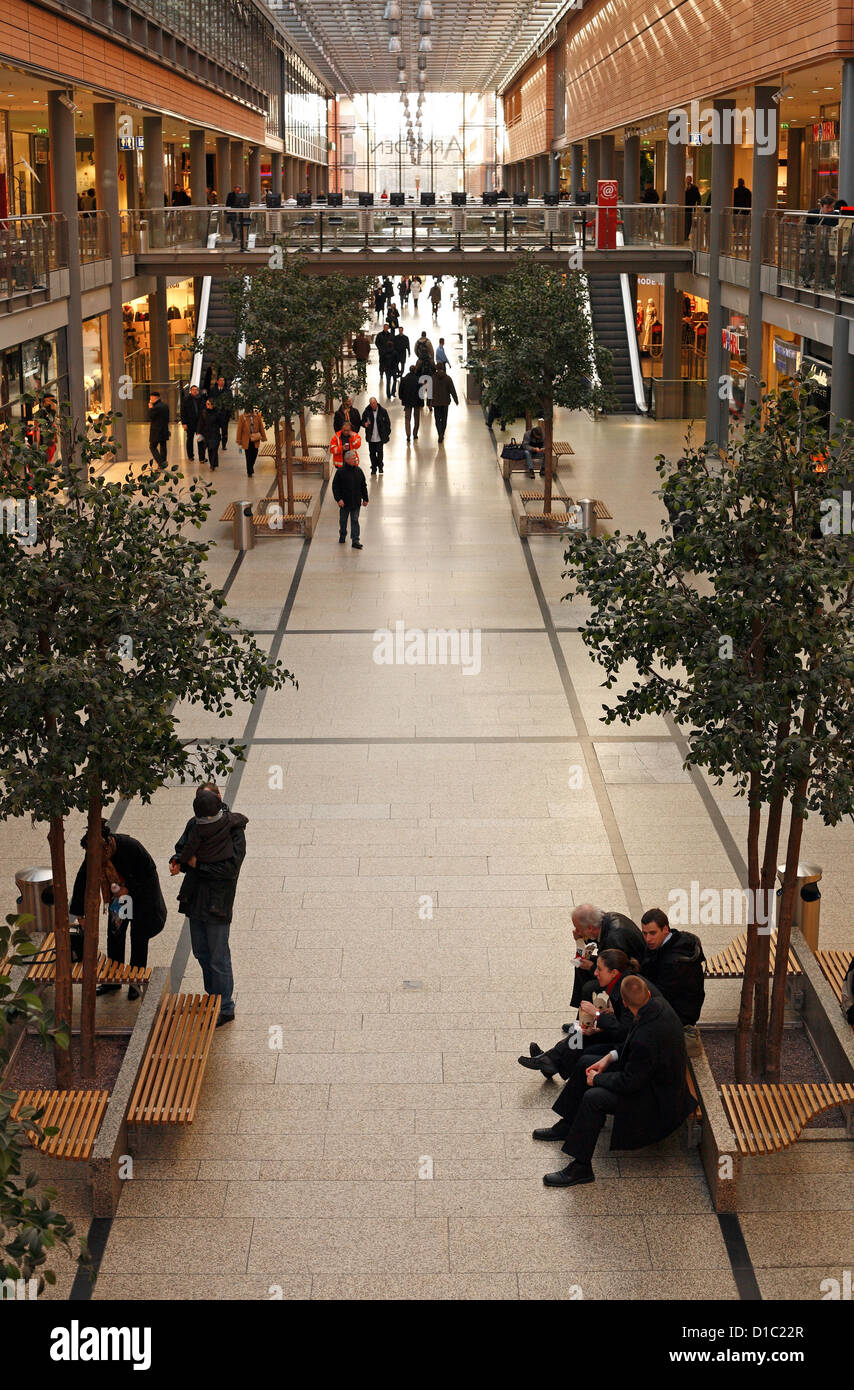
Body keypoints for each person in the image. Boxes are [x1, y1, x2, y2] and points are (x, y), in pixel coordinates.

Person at [537, 977, 695, 1186]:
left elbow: (630, 1082)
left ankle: (581, 1167)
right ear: (647, 993)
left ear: (627, 1005)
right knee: (587, 1061)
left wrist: (599, 1079)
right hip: (648, 1078)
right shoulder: (657, 1005)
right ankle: (568, 1124)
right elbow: (631, 1045)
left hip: (657, 1100)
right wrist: (608, 1058)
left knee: (594, 1098)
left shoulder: (646, 1037)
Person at [171, 787, 247, 1027]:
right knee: (201, 951)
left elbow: (230, 870)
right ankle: (213, 995)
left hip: (218, 901)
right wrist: (178, 861)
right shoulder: (196, 823)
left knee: (218, 955)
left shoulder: (234, 830)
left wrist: (197, 863)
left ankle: (224, 1006)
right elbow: (183, 848)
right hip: (195, 897)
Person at [70, 822, 167, 1001]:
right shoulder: (94, 852)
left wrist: (128, 889)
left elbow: (149, 875)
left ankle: (135, 981)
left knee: (138, 938)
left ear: (107, 844)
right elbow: (82, 878)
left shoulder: (131, 847)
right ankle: (113, 980)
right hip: (119, 900)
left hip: (141, 899)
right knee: (115, 935)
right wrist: (79, 913)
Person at [519, 947, 643, 1079]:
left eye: (599, 969)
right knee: (580, 1031)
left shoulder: (628, 989)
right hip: (624, 1038)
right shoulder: (621, 982)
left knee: (583, 1041)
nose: (595, 973)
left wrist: (597, 1014)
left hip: (628, 1048)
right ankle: (550, 1060)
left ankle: (550, 1061)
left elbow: (624, 1031)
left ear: (613, 973)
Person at [567, 903, 644, 1011]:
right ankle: (582, 1017)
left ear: (589, 927)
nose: (576, 931)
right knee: (580, 965)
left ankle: (589, 1020)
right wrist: (581, 939)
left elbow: (616, 973)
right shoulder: (607, 919)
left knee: (589, 988)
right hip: (619, 964)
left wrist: (592, 967)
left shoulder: (614, 939)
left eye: (578, 928)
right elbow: (596, 937)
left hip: (634, 976)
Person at [638, 908, 705, 1027]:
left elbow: (661, 994)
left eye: (653, 933)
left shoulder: (675, 961)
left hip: (678, 1017)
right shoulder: (666, 943)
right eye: (644, 933)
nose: (648, 939)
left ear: (665, 930)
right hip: (670, 1007)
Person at [332, 443, 369, 548]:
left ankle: (355, 540)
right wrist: (338, 499)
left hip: (356, 502)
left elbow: (363, 485)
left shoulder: (359, 471)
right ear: (347, 460)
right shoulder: (340, 472)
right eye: (353, 458)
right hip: (344, 503)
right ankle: (342, 535)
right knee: (343, 520)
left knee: (355, 520)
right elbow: (335, 487)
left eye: (355, 458)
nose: (355, 460)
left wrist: (365, 499)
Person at [361, 395, 391, 474]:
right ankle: (373, 468)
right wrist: (365, 424)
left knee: (380, 453)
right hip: (371, 437)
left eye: (374, 403)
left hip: (380, 437)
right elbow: (362, 421)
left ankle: (380, 467)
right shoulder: (367, 411)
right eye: (371, 404)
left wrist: (386, 434)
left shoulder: (383, 411)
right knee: (372, 454)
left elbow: (388, 423)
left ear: (376, 403)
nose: (373, 405)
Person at [236, 406, 266, 478]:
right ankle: (249, 471)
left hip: (255, 438)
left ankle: (250, 466)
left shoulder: (257, 416)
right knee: (248, 455)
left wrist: (263, 436)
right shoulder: (242, 417)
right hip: (246, 439)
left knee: (255, 453)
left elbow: (261, 427)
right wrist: (239, 439)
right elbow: (239, 429)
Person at [431, 363, 458, 443]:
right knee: (444, 419)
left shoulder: (433, 378)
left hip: (436, 402)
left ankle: (440, 433)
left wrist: (429, 402)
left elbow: (430, 390)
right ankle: (442, 432)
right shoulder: (448, 378)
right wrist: (455, 399)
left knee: (437, 419)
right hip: (445, 402)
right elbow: (452, 390)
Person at [180, 384, 204, 463]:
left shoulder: (201, 399)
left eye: (196, 390)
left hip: (199, 423)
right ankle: (190, 456)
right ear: (190, 391)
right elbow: (182, 412)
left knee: (200, 440)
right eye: (193, 390)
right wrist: (184, 423)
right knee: (190, 439)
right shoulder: (186, 399)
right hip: (190, 423)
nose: (195, 391)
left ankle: (202, 458)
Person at [400, 362, 423, 442]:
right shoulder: (418, 380)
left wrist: (402, 398)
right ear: (415, 371)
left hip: (407, 402)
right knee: (416, 419)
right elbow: (421, 393)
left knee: (407, 419)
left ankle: (408, 435)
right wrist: (422, 403)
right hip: (416, 402)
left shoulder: (404, 379)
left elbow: (400, 391)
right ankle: (415, 434)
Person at [209, 375, 233, 449]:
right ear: (217, 382)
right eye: (221, 380)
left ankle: (224, 444)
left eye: (223, 380)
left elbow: (230, 402)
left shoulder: (228, 391)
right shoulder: (213, 390)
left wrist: (229, 414)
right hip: (215, 415)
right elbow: (210, 400)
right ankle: (216, 443)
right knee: (215, 431)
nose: (222, 382)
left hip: (224, 415)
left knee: (224, 431)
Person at [199, 396, 221, 469]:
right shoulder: (204, 412)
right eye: (207, 404)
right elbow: (201, 423)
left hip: (215, 434)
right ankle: (212, 463)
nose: (207, 405)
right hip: (207, 434)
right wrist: (199, 431)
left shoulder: (217, 412)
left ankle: (212, 465)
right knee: (210, 449)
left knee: (214, 449)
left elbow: (221, 422)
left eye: (209, 404)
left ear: (212, 404)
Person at [376, 323, 399, 397]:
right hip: (383, 353)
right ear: (383, 327)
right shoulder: (380, 335)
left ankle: (390, 393)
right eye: (385, 327)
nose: (386, 328)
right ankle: (381, 372)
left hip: (389, 361)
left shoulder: (390, 335)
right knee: (381, 362)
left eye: (387, 327)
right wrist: (380, 349)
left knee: (389, 380)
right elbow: (377, 343)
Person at [148, 391, 170, 465]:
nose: (150, 399)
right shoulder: (165, 405)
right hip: (164, 429)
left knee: (152, 447)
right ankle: (163, 463)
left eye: (151, 398)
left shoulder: (156, 407)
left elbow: (151, 417)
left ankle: (160, 463)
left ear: (155, 397)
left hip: (156, 431)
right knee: (163, 446)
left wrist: (150, 408)